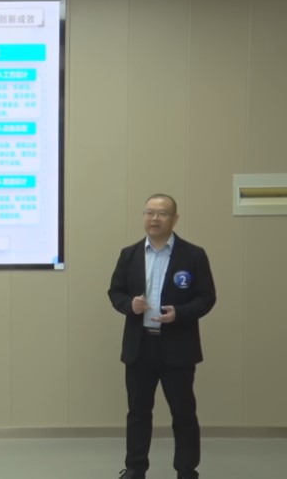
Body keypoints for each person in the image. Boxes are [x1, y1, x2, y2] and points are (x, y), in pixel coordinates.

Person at [108, 194, 216, 479]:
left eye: (162, 213)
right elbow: (115, 292)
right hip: (139, 346)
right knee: (138, 413)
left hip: (178, 347)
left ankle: (186, 470)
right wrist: (129, 304)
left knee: (183, 413)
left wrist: (180, 313)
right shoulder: (129, 254)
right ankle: (135, 468)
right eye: (149, 212)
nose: (154, 218)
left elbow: (207, 298)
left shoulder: (193, 255)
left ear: (174, 219)